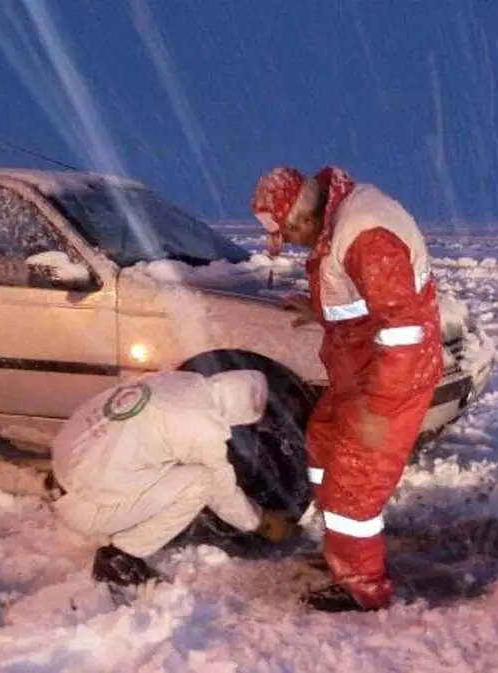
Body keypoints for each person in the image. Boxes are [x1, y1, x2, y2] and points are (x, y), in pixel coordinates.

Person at [249, 165, 445, 613]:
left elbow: (403, 329)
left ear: (300, 221)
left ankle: (363, 588)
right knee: (323, 447)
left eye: (287, 235)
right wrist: (318, 309)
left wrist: (379, 409)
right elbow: (364, 302)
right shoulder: (338, 223)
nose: (292, 243)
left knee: (353, 485)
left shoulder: (364, 235)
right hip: (358, 373)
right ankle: (343, 553)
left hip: (390, 381)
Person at [47, 369, 299, 587]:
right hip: (83, 506)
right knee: (202, 480)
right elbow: (223, 492)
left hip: (62, 474)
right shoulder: (202, 427)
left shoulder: (179, 382)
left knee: (172, 461)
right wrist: (259, 522)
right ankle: (122, 555)